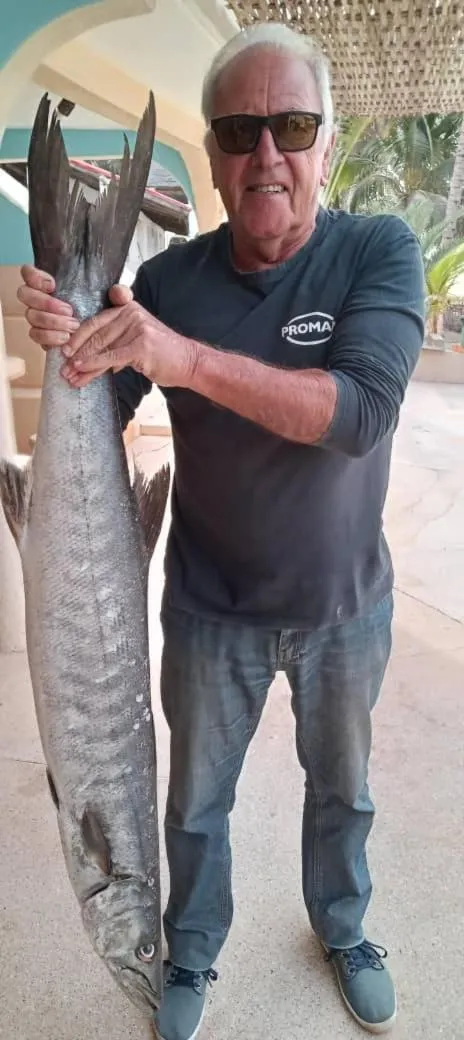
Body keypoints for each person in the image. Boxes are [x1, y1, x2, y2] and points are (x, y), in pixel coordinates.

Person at [17, 22, 425, 1040]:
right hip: (207, 613)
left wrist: (185, 361)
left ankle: (343, 925)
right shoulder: (169, 283)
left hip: (343, 609)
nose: (267, 154)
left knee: (342, 790)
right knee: (191, 808)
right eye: (240, 131)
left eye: (292, 125)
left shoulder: (377, 250)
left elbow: (359, 413)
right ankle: (186, 947)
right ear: (212, 152)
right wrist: (72, 337)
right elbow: (103, 404)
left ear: (326, 142)